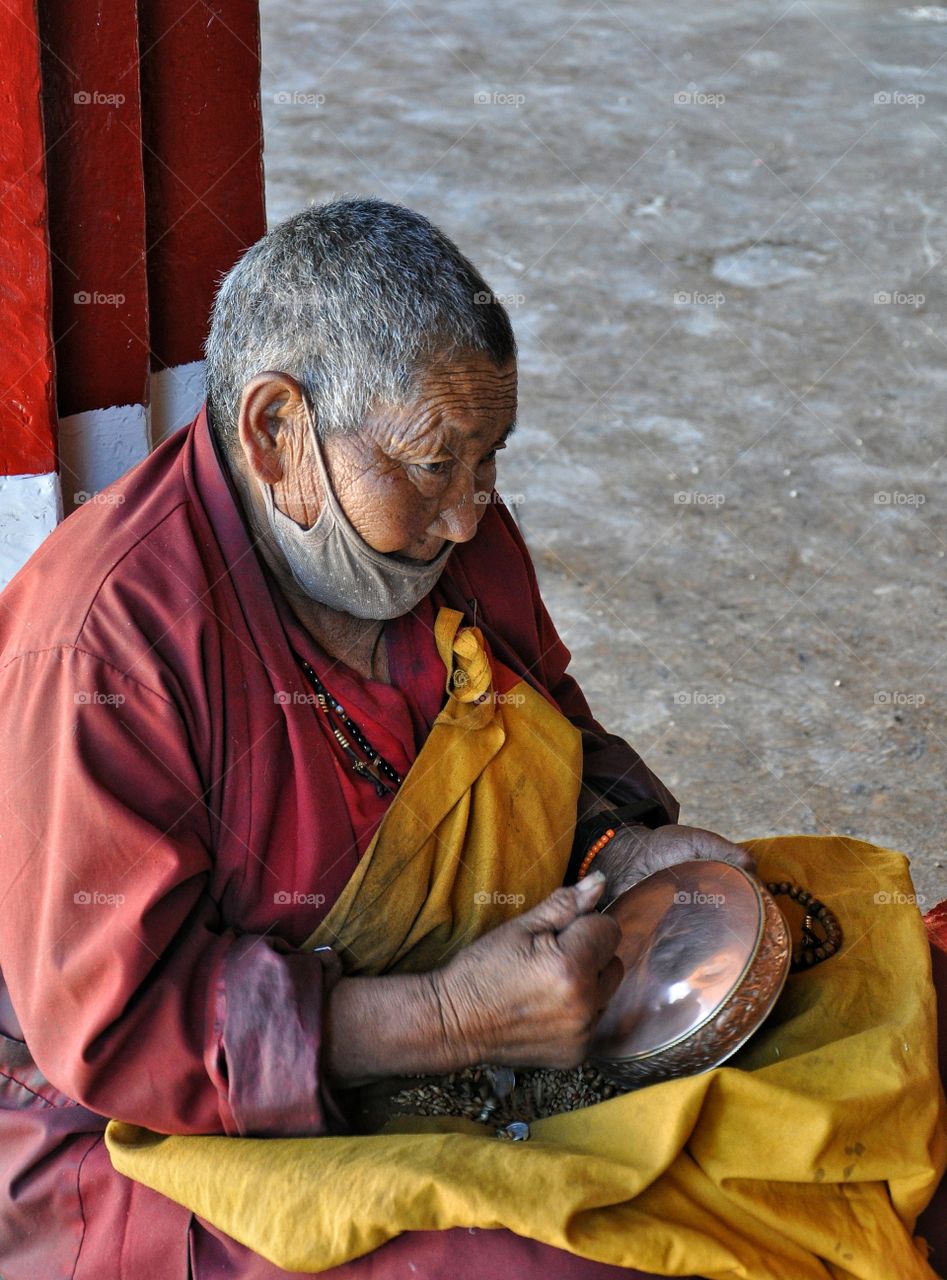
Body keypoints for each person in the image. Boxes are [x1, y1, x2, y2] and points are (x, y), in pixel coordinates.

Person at [0, 199, 941, 1280]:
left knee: (886, 1012)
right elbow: (119, 1031)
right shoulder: (105, 650)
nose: (465, 516)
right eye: (434, 465)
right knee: (578, 1259)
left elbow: (551, 731)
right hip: (154, 1143)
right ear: (274, 432)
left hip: (488, 1006)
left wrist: (615, 847)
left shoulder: (450, 537)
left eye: (488, 461)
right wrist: (449, 1017)